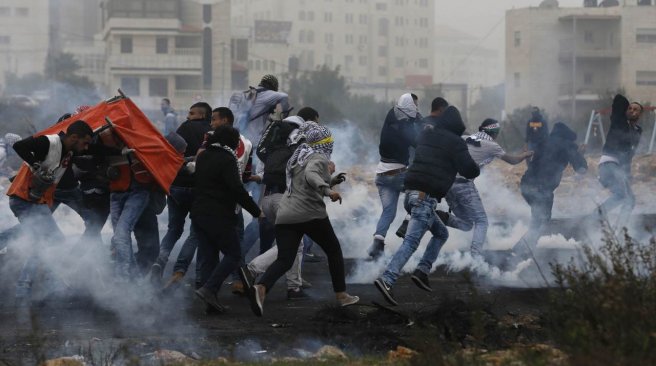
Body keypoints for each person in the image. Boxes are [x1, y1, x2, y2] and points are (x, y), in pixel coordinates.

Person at [247, 123, 359, 317]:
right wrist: (328, 190)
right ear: (323, 143)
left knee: (285, 258)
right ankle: (342, 295)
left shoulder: (297, 158)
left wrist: (332, 181)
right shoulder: (317, 158)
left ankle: (262, 287)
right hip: (309, 213)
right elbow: (311, 176)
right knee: (333, 250)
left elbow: (304, 181)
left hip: (286, 213)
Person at [374, 106, 479, 306]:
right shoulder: (456, 142)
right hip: (425, 197)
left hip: (411, 193)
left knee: (441, 234)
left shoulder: (427, 135)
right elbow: (470, 170)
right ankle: (387, 279)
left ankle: (422, 270)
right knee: (412, 242)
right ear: (458, 125)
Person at [7, 120, 94, 303]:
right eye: (84, 142)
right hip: (24, 200)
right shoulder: (49, 142)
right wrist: (36, 165)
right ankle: (51, 286)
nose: (85, 147)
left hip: (36, 202)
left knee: (44, 242)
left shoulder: (68, 152)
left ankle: (32, 289)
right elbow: (19, 146)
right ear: (73, 137)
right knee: (53, 240)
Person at [192, 124, 263, 313]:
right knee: (234, 254)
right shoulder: (227, 158)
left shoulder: (204, 155)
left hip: (199, 213)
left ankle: (211, 305)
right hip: (218, 214)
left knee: (209, 258)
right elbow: (236, 189)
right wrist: (256, 211)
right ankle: (209, 289)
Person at [439, 119, 533, 258]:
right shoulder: (492, 145)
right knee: (482, 221)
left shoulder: (466, 138)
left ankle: (439, 217)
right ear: (495, 133)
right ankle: (475, 257)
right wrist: (525, 154)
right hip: (463, 184)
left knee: (467, 224)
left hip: (447, 184)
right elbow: (513, 160)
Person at [151, 102, 212, 281]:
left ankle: (160, 261)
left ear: (201, 114)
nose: (188, 116)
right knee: (195, 232)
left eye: (191, 113)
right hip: (198, 188)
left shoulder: (183, 128)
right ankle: (180, 269)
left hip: (176, 186)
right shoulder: (210, 133)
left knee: (173, 229)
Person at [512, 122, 587, 263]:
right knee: (542, 221)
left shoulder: (544, 141)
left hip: (526, 185)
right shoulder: (566, 143)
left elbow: (539, 161)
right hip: (542, 188)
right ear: (569, 136)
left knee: (538, 220)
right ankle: (520, 251)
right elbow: (580, 165)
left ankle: (524, 250)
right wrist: (580, 159)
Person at [367, 93, 423, 260]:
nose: (417, 108)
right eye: (415, 105)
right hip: (398, 174)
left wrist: (416, 119)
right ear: (410, 105)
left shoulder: (392, 114)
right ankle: (406, 222)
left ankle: (377, 243)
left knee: (388, 212)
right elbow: (417, 142)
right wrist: (421, 122)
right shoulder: (404, 125)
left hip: (382, 175)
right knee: (422, 193)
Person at [393, 97, 449, 239]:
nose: (416, 107)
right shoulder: (421, 121)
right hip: (421, 163)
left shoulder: (412, 118)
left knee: (420, 196)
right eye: (415, 104)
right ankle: (412, 230)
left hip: (413, 163)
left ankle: (408, 223)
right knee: (426, 196)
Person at [595, 94, 643, 229]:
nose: (632, 111)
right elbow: (618, 99)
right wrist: (626, 105)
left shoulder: (637, 131)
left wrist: (627, 175)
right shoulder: (619, 121)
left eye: (636, 110)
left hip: (618, 167)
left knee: (630, 199)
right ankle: (596, 216)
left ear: (640, 114)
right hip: (609, 164)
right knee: (622, 195)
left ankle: (619, 229)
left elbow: (629, 156)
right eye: (630, 108)